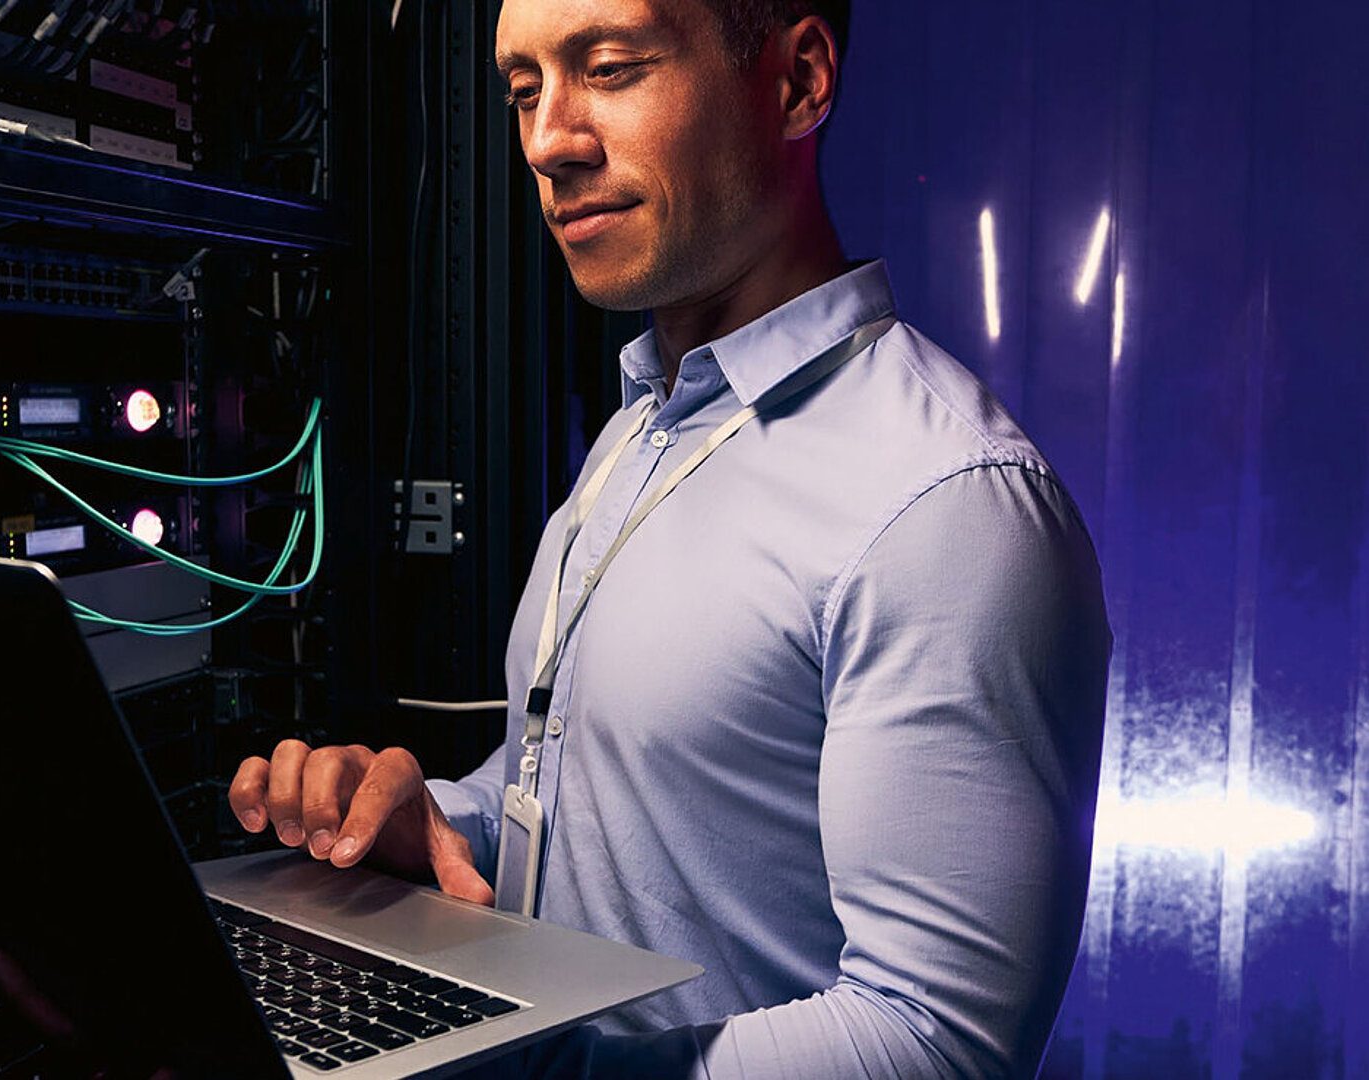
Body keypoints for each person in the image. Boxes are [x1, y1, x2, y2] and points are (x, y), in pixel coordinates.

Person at [227, 0, 1112, 1076]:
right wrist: (441, 831)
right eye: (523, 91)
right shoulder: (645, 428)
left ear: (797, 83)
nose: (550, 141)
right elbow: (599, 797)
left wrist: (516, 1074)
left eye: (609, 67)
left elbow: (933, 1044)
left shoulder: (942, 505)